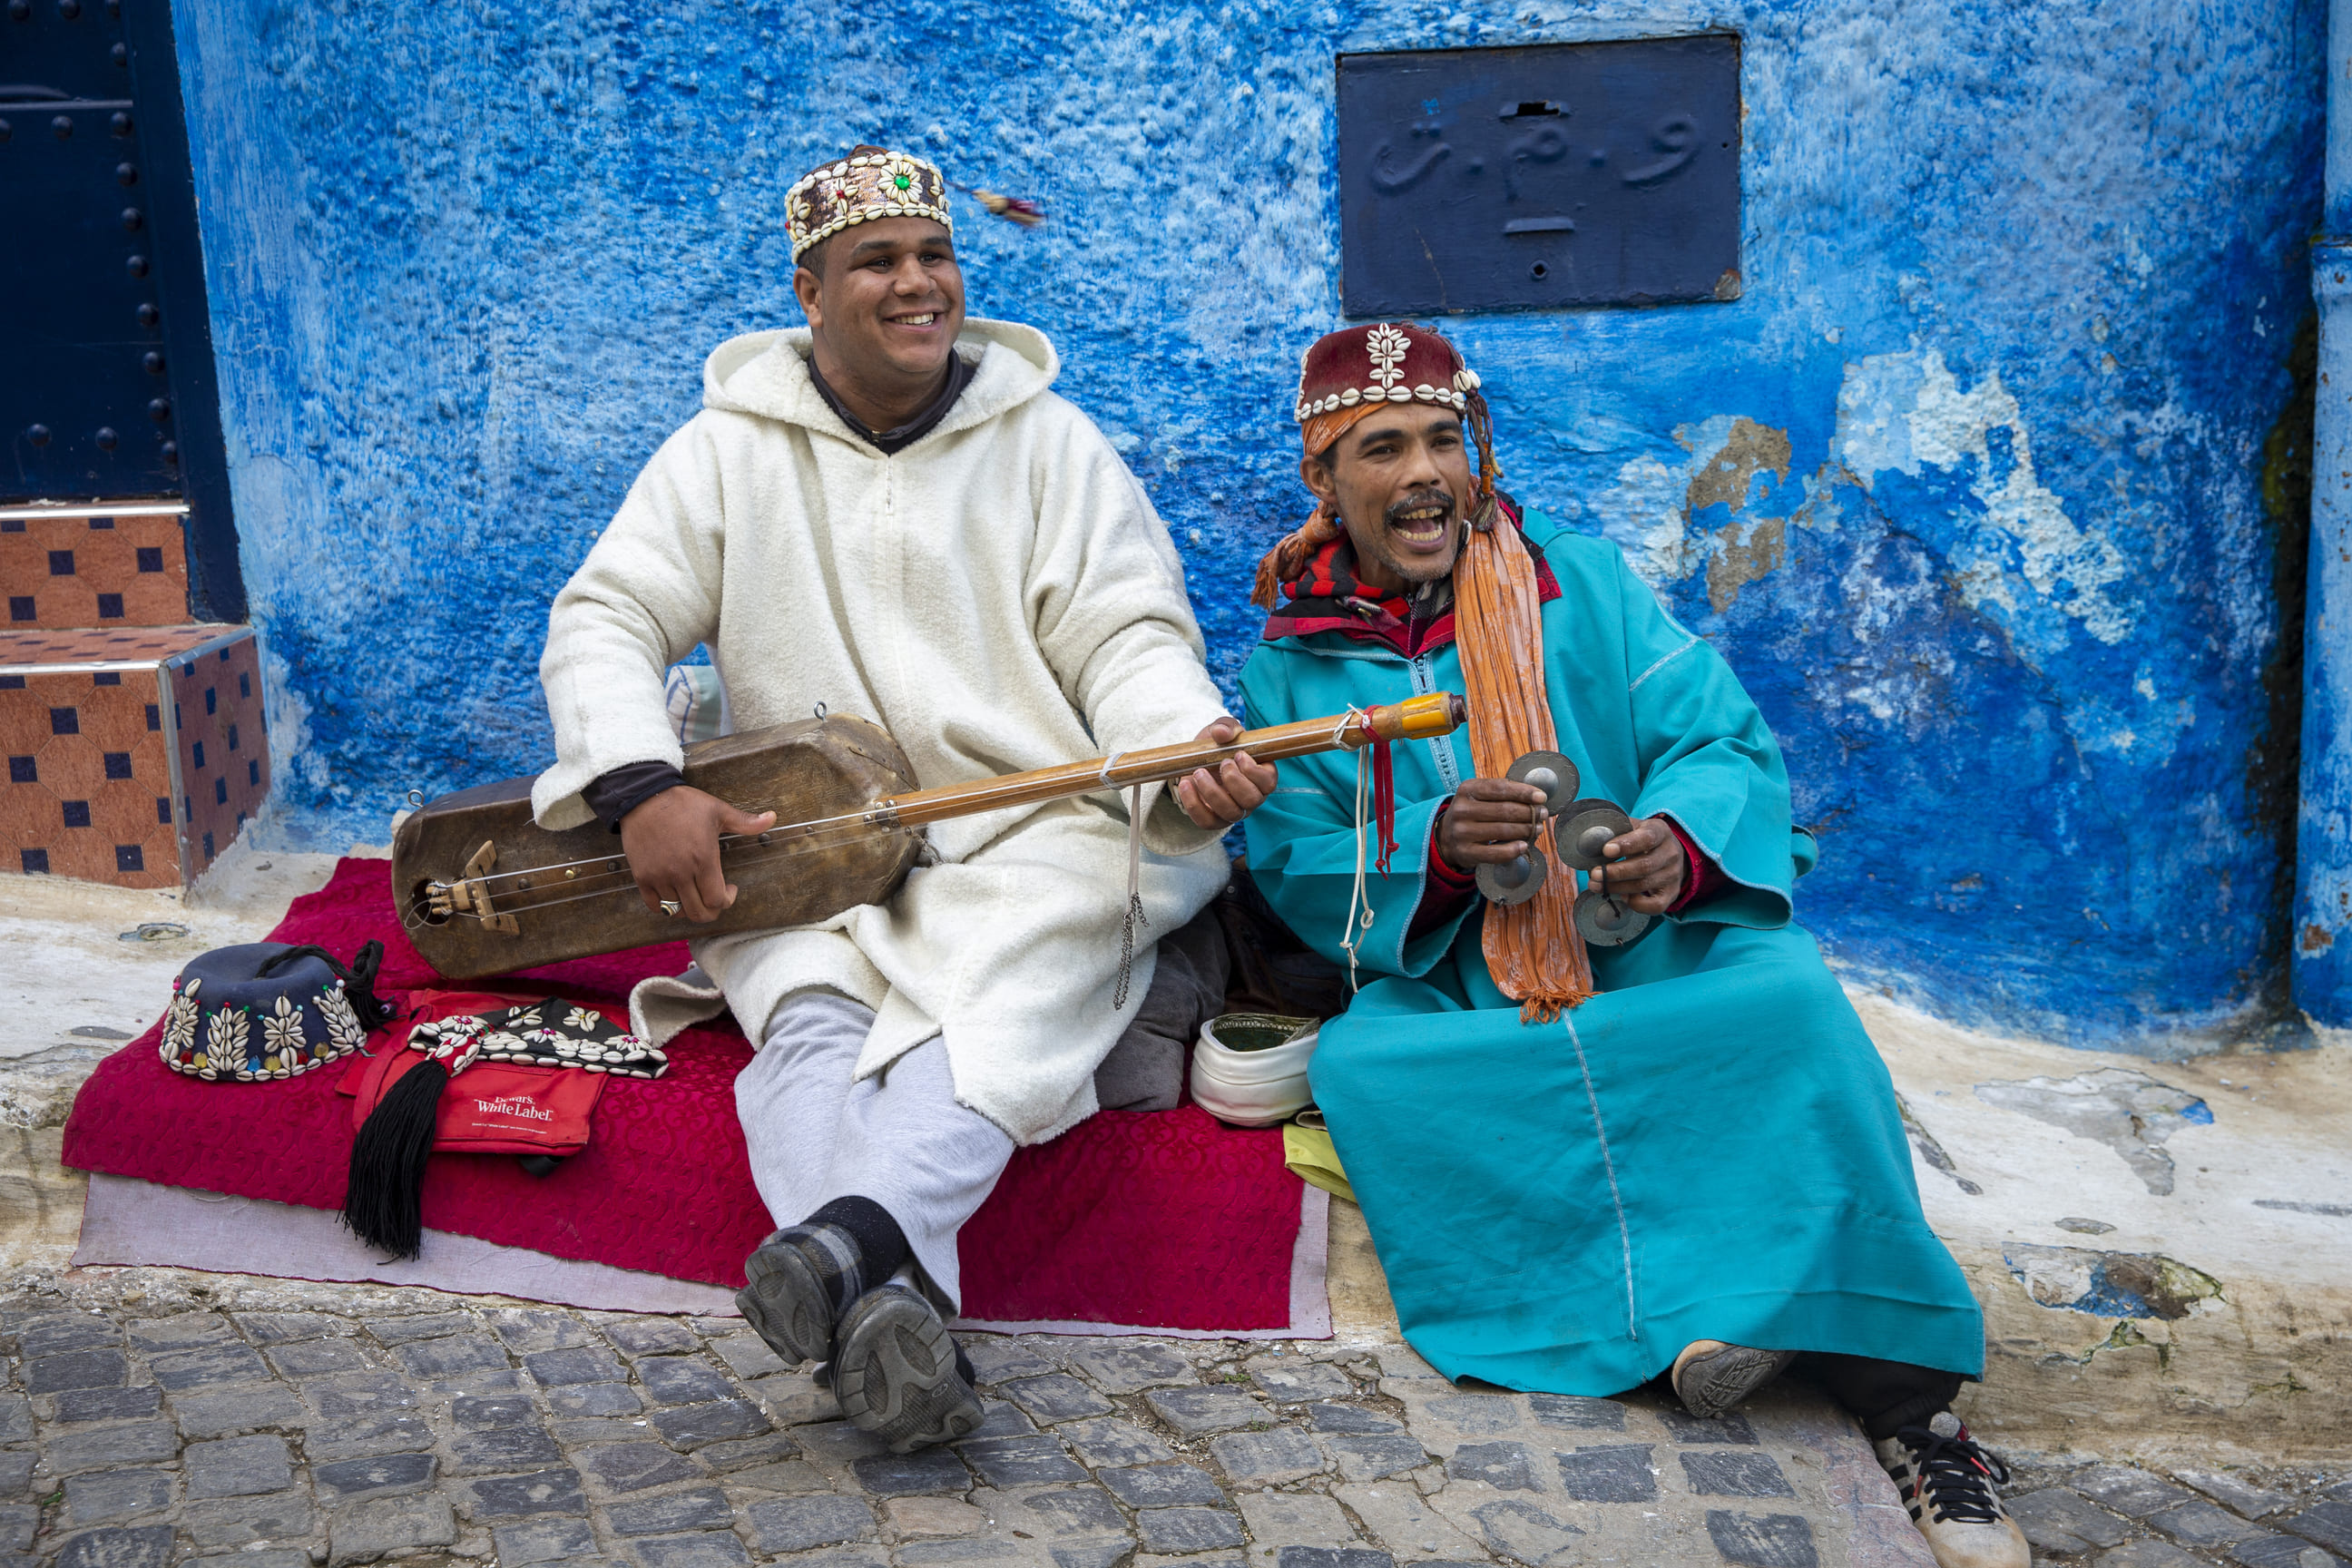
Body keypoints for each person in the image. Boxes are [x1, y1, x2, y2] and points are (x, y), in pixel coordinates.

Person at [1237, 322, 2028, 1568]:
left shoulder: (1583, 587)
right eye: (1381, 448)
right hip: (1469, 990)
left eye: (1446, 439)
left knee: (1788, 1001)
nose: (1424, 473)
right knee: (1371, 1071)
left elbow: (1719, 742)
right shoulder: (1290, 671)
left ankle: (1914, 1412)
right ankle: (1693, 1323)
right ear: (1325, 483)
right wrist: (1436, 851)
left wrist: (1676, 844)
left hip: (1636, 954)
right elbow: (1291, 867)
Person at [532, 145, 1275, 1452]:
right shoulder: (725, 452)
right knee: (812, 1027)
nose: (918, 283)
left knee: (984, 1017)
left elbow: (1126, 637)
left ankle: (849, 1257)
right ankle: (899, 1305)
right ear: (810, 293)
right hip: (804, 839)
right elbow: (606, 616)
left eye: (936, 256)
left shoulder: (1047, 442)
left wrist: (1176, 746)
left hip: (1030, 830)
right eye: (878, 261)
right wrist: (643, 783)